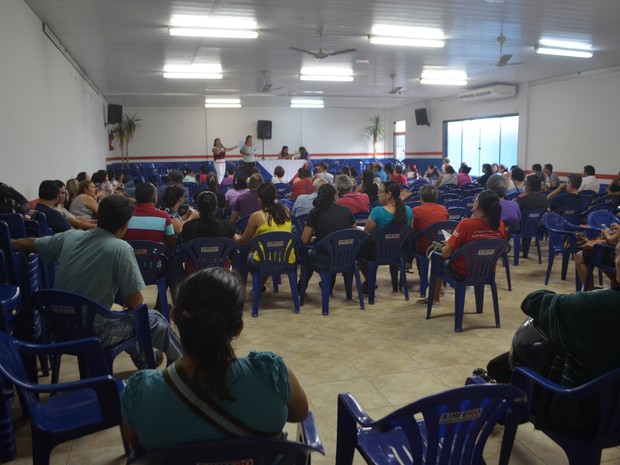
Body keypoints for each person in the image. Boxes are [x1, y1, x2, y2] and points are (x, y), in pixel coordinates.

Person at [120, 267, 309, 453]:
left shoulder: (142, 394)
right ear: (238, 329)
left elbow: (138, 448)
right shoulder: (271, 374)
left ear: (174, 317)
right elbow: (300, 413)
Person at [12, 195, 183, 369]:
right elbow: (135, 302)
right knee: (153, 319)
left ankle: (148, 361)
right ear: (124, 226)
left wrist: (12, 242)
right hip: (94, 333)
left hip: (59, 328)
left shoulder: (69, 237)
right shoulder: (120, 248)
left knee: (123, 319)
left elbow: (29, 243)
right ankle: (182, 364)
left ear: (98, 217)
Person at [485, 240, 620, 439]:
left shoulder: (601, 306)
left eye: (617, 254)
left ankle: (501, 405)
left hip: (585, 412)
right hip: (612, 406)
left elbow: (535, 301)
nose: (614, 260)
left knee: (519, 361)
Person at [417, 190, 507, 306]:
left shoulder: (466, 224)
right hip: (487, 270)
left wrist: (448, 244)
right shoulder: (500, 224)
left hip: (462, 271)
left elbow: (445, 254)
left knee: (436, 258)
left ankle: (434, 298)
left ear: (478, 205)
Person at [234, 183, 295, 289]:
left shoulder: (256, 216)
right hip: (285, 258)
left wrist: (233, 235)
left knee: (248, 255)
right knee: (266, 253)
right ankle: (258, 286)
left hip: (264, 259)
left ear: (260, 199)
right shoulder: (286, 211)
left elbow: (242, 241)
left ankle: (248, 287)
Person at [299, 184, 357, 294]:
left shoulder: (315, 212)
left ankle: (301, 288)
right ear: (335, 196)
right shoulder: (346, 210)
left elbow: (304, 240)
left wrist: (314, 239)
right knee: (332, 248)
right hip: (347, 257)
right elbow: (354, 233)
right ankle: (343, 291)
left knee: (308, 256)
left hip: (326, 259)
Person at [359, 181, 413, 292]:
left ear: (389, 194)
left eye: (380, 191)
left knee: (358, 251)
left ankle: (370, 281)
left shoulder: (377, 212)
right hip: (400, 253)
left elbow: (365, 233)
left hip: (378, 253)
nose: (378, 194)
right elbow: (410, 232)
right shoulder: (408, 210)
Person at [123, 182, 176, 251]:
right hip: (154, 260)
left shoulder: (124, 215)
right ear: (154, 198)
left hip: (128, 259)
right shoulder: (164, 216)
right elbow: (171, 246)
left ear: (135, 197)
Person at [575, 222, 619, 290]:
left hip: (614, 255)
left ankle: (589, 293)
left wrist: (606, 232)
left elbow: (613, 240)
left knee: (579, 256)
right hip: (613, 253)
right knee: (599, 254)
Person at [412, 184, 449, 253]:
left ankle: (408, 263)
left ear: (421, 197)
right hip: (440, 246)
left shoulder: (416, 210)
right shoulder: (443, 209)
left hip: (423, 247)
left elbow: (412, 230)